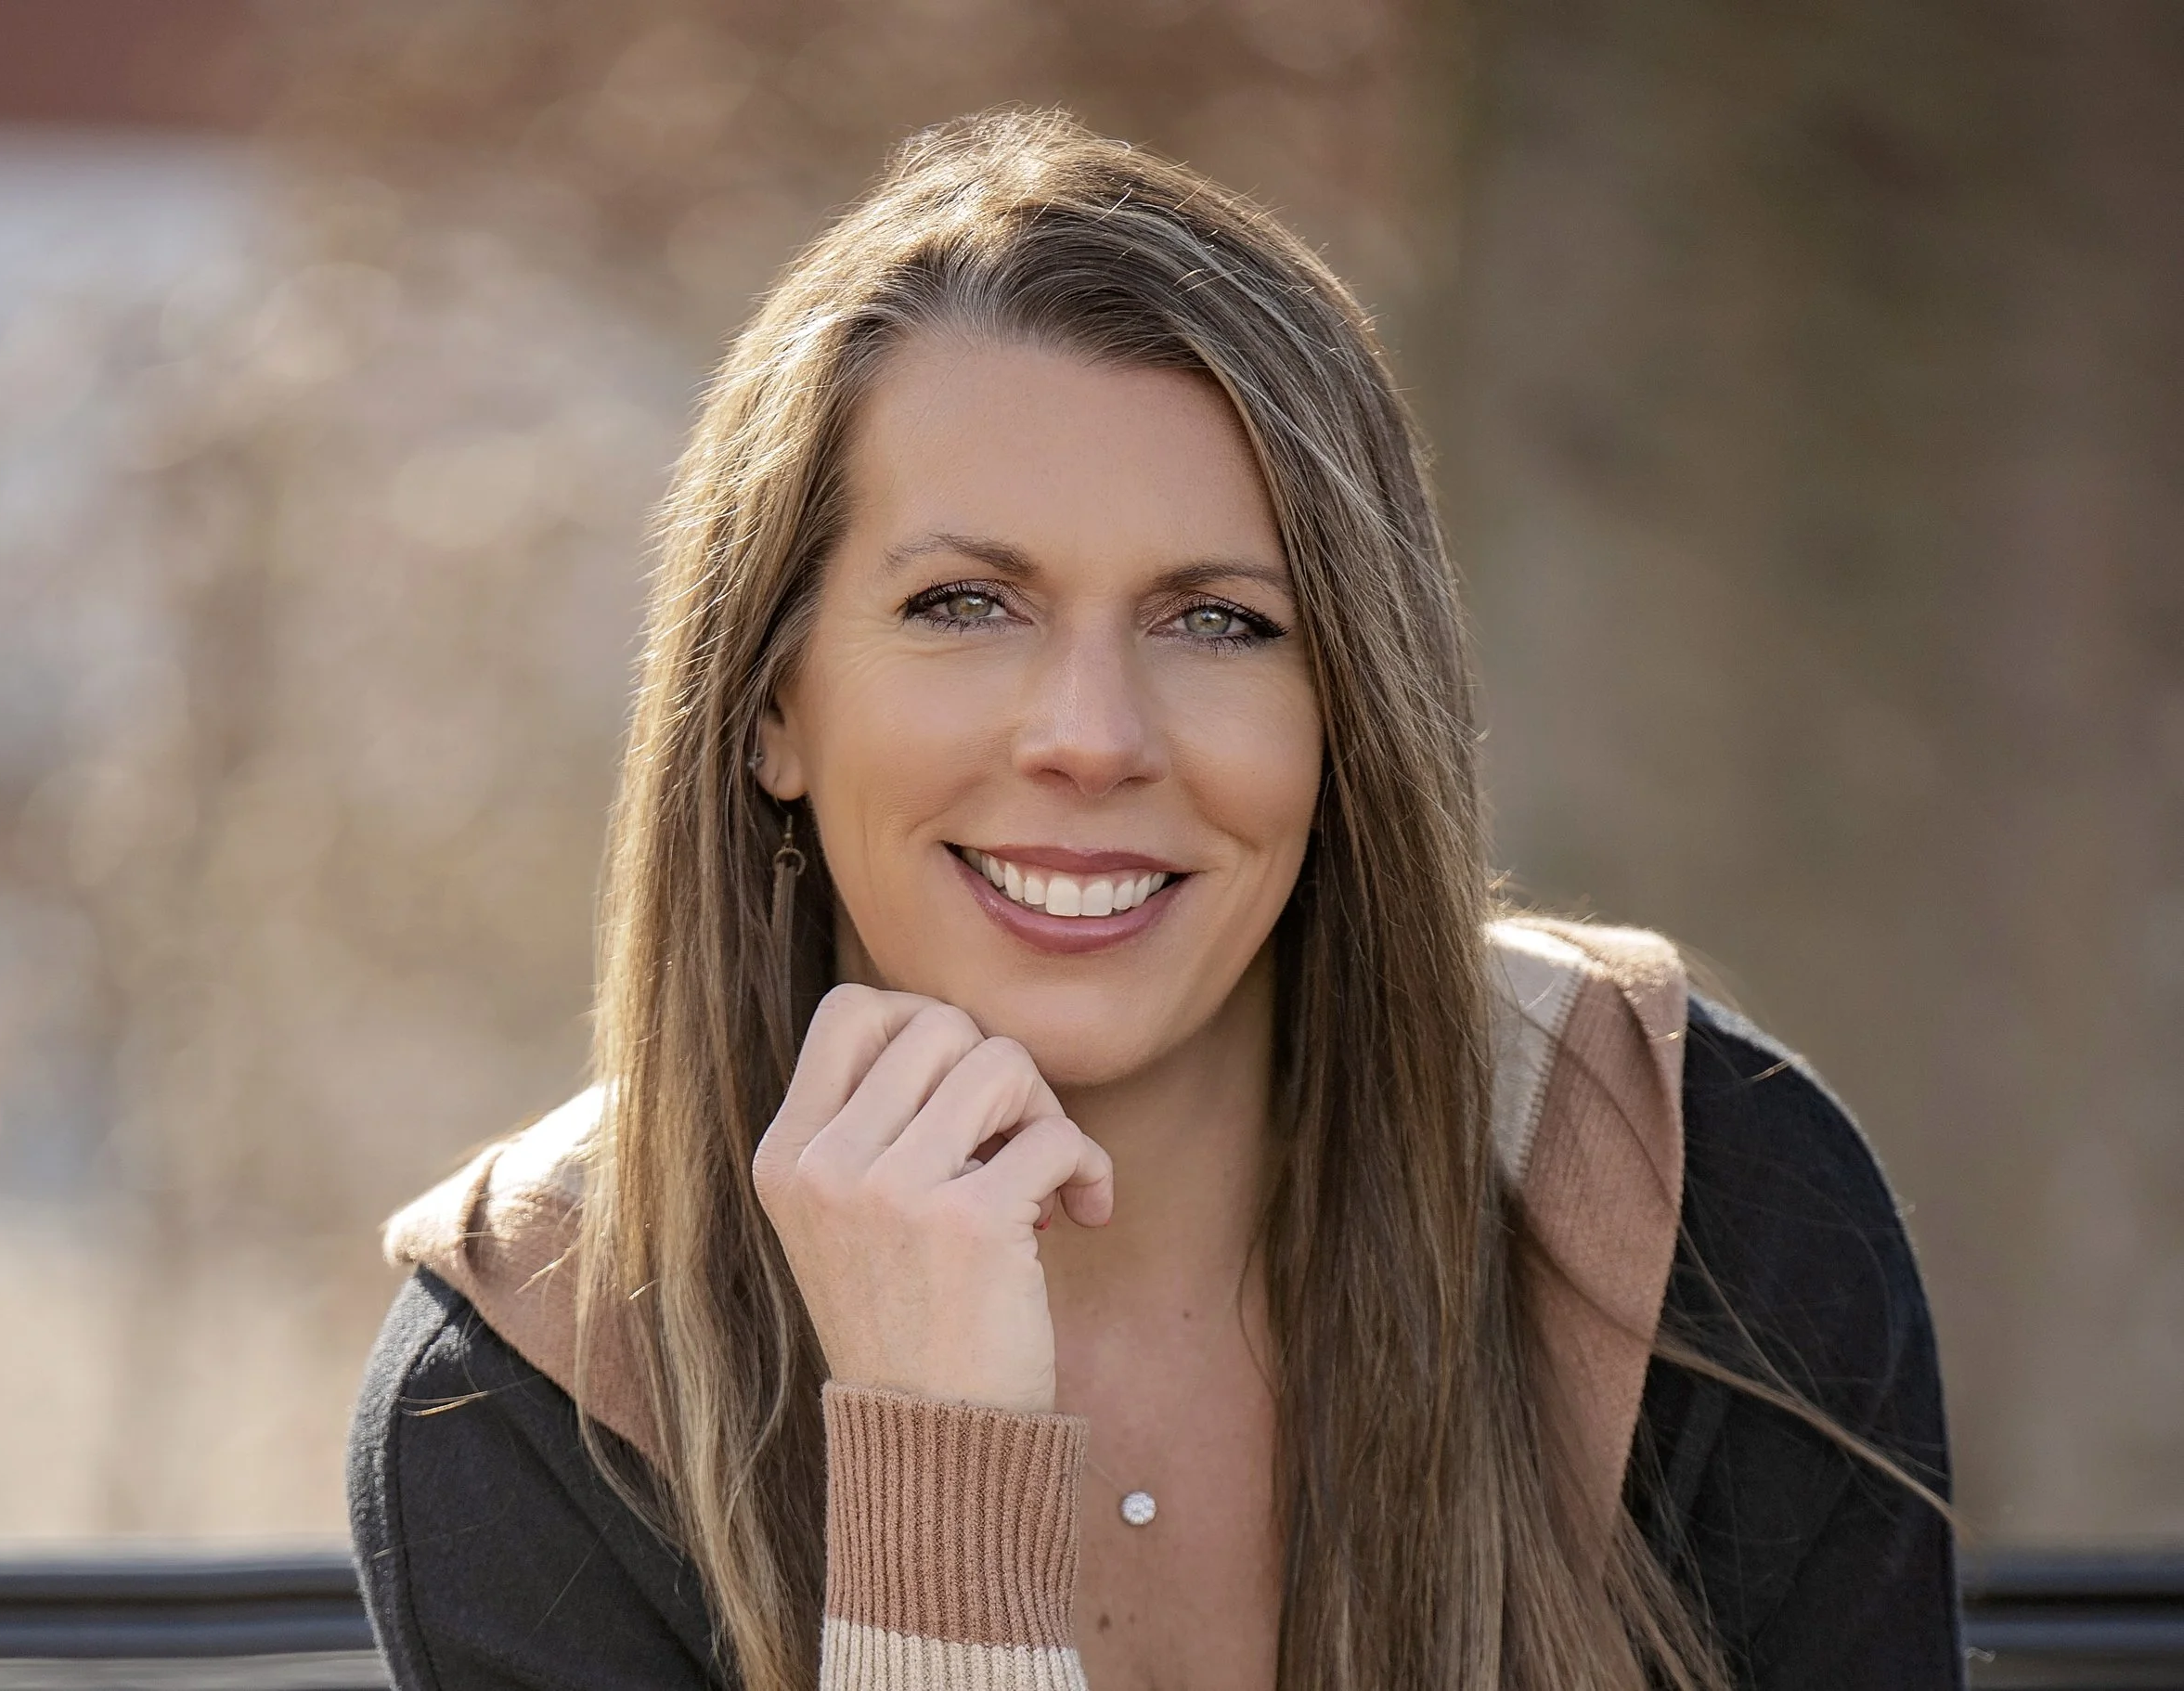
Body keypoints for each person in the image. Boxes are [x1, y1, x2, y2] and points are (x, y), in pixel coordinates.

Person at [347, 110, 1961, 1690]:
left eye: (1219, 622)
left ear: (1351, 713)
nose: (1092, 737)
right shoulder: (523, 1405)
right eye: (964, 603)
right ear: (773, 702)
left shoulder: (1692, 1197)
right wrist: (940, 1483)